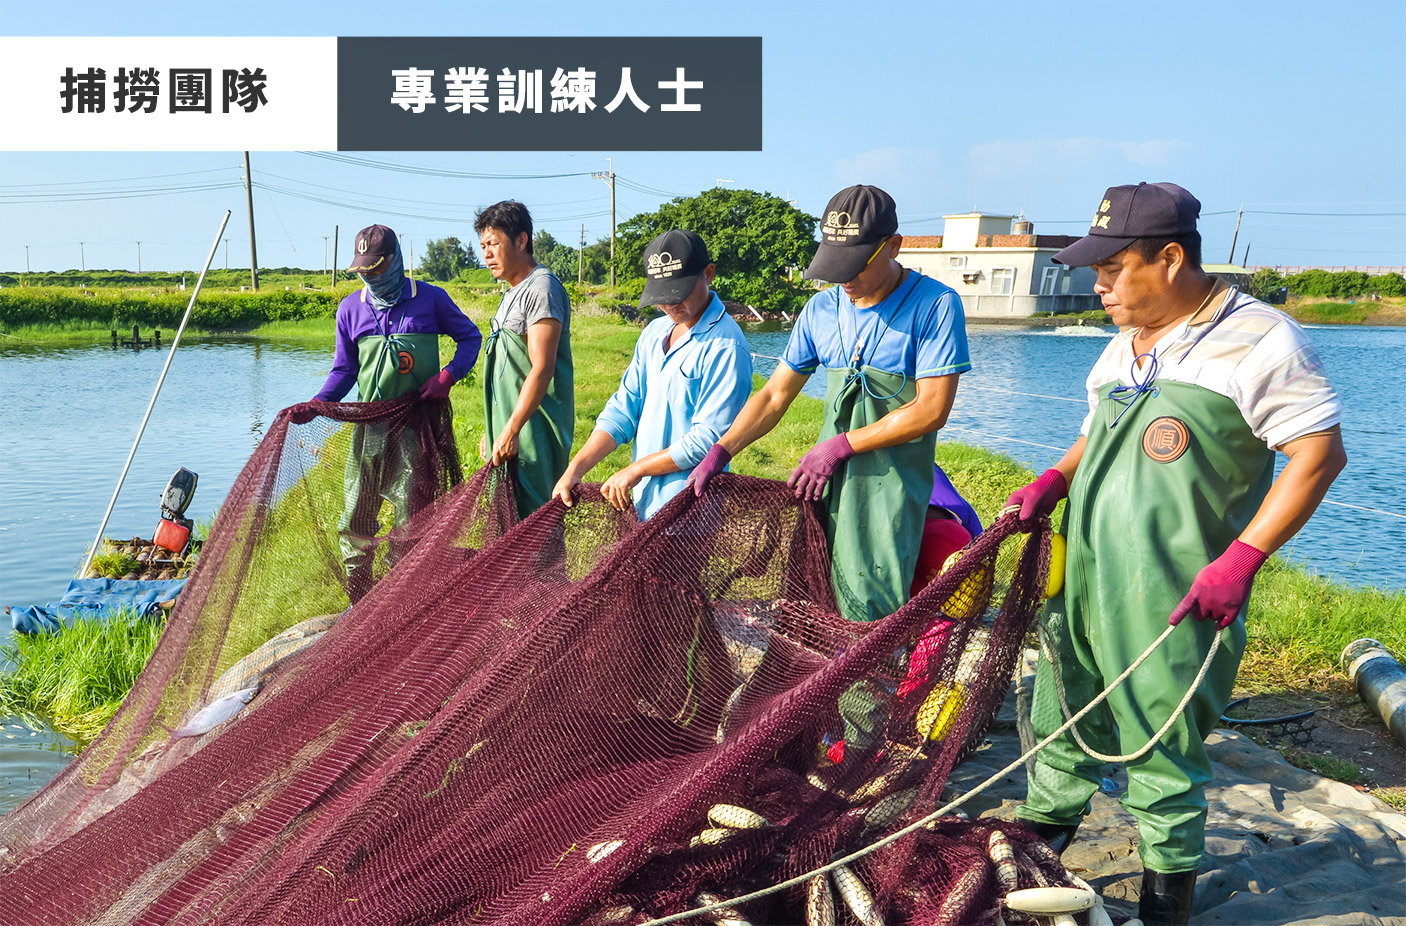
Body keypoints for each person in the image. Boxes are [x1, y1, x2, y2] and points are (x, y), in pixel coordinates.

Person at [1007, 182, 1346, 925]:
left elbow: (1318, 454)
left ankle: (1166, 905)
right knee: (1062, 715)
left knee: (1161, 745)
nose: (1094, 282)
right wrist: (1053, 479)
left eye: (1111, 266)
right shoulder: (1121, 345)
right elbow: (1099, 433)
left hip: (1172, 593)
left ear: (1169, 258)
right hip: (1087, 580)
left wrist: (1242, 560)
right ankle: (1035, 849)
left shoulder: (1259, 340)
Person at [691, 185, 970, 624]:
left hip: (889, 486)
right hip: (823, 483)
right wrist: (722, 450)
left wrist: (841, 445)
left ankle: (873, 691)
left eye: (856, 265)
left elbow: (931, 408)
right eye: (834, 266)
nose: (845, 279)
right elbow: (774, 394)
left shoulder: (934, 305)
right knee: (816, 594)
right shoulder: (820, 309)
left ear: (893, 246)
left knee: (873, 601)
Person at [311, 223, 483, 601]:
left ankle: (403, 600)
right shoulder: (350, 309)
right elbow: (344, 370)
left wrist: (448, 377)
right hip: (370, 424)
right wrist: (319, 403)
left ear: (394, 260)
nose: (370, 277)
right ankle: (360, 599)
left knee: (412, 516)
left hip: (417, 426)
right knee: (357, 514)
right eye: (363, 271)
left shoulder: (430, 299)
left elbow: (471, 337)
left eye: (376, 268)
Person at [552, 229, 752, 519]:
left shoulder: (726, 345)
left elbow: (708, 440)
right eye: (662, 296)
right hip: (642, 502)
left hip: (691, 510)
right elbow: (623, 409)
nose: (670, 305)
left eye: (679, 293)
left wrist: (637, 468)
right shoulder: (654, 332)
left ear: (708, 274)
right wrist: (576, 468)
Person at [476, 201, 575, 520]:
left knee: (535, 527)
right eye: (482, 246)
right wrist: (495, 429)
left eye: (493, 244)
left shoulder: (541, 288)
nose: (487, 254)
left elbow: (542, 367)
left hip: (535, 432)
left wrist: (512, 427)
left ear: (521, 240)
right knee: (505, 525)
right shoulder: (511, 293)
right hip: (511, 430)